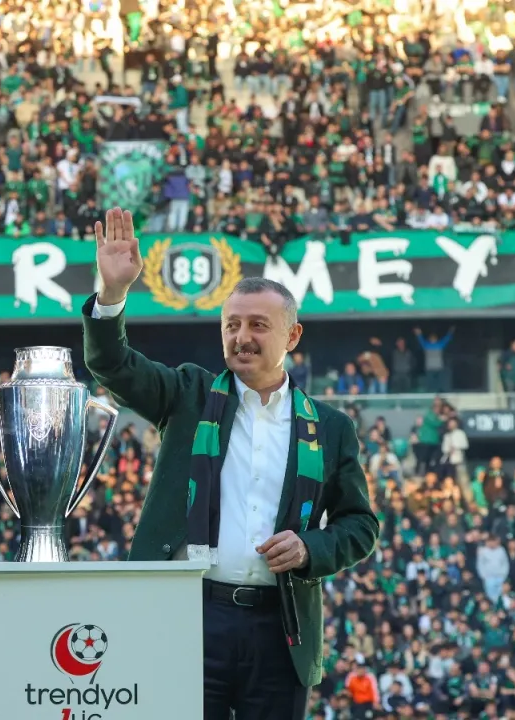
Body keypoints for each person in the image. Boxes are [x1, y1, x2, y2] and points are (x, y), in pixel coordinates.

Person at [82, 208, 379, 720]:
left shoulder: (330, 428)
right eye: (232, 325)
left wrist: (310, 547)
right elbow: (113, 364)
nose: (242, 336)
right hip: (189, 618)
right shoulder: (189, 395)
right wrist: (112, 294)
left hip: (280, 628)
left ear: (292, 336)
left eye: (258, 325)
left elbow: (361, 526)